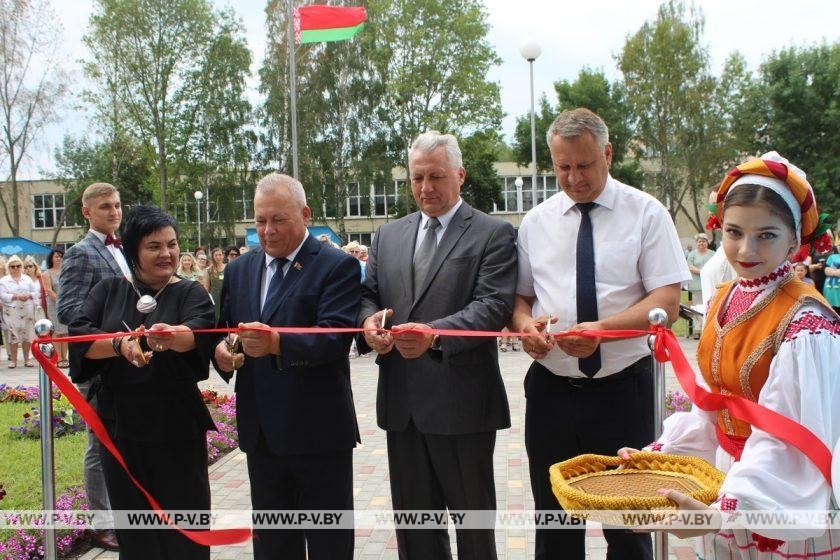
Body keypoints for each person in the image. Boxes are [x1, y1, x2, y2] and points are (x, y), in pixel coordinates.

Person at [619, 152, 840, 559]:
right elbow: (711, 405)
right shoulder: (725, 298)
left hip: (773, 495)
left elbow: (791, 438)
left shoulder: (806, 323)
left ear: (795, 240)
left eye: (766, 235)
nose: (745, 249)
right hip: (731, 481)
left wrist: (728, 508)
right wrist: (667, 456)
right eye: (735, 232)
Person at [510, 108, 690, 560]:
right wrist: (524, 328)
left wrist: (604, 331)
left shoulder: (646, 213)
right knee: (553, 524)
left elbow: (666, 303)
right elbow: (520, 299)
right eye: (562, 166)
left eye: (584, 165)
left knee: (629, 527)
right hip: (551, 392)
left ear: (607, 154)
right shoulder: (536, 222)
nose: (573, 178)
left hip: (623, 391)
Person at [359, 131, 517, 559]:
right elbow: (368, 295)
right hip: (402, 407)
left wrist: (435, 334)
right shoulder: (388, 236)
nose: (425, 188)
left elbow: (493, 305)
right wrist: (368, 321)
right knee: (415, 531)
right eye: (417, 178)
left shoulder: (492, 234)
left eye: (436, 176)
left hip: (462, 406)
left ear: (460, 175)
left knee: (473, 528)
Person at [213, 173, 360, 560]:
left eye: (278, 219)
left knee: (330, 545)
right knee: (274, 544)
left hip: (319, 434)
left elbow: (335, 337)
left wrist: (277, 342)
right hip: (262, 436)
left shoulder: (336, 266)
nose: (267, 230)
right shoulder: (239, 271)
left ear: (305, 214)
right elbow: (228, 330)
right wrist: (223, 354)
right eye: (260, 220)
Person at [69, 205, 215, 559]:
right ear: (134, 250)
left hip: (177, 428)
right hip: (121, 429)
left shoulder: (191, 293)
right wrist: (120, 344)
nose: (166, 253)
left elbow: (196, 333)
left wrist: (166, 336)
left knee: (186, 525)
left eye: (172, 244)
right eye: (154, 246)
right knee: (135, 529)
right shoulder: (108, 291)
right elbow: (80, 339)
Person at [57, 182, 131, 552]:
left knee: (122, 439)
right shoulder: (82, 253)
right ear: (87, 212)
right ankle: (102, 524)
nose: (114, 212)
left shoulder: (125, 249)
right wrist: (112, 331)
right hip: (98, 361)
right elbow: (68, 311)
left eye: (117, 205)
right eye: (105, 207)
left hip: (127, 361)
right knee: (98, 442)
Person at [0, 255, 39, 368]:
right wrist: (16, 296)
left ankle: (26, 360)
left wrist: (28, 295)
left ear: (21, 267)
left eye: (18, 266)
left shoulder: (27, 279)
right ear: (9, 268)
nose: (16, 268)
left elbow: (35, 292)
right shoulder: (4, 281)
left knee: (27, 335)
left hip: (27, 309)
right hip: (12, 311)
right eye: (13, 266)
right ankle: (14, 361)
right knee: (13, 335)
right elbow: (2, 295)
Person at [43, 249, 70, 367]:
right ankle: (58, 358)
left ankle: (65, 358)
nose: (59, 259)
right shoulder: (47, 273)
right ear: (51, 259)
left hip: (67, 303)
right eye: (56, 257)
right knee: (57, 331)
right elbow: (48, 290)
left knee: (65, 332)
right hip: (54, 304)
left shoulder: (67, 271)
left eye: (60, 256)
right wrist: (60, 300)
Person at [206, 247, 225, 323]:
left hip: (225, 294)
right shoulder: (209, 270)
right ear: (213, 257)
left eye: (220, 255)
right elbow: (207, 287)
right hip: (214, 296)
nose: (218, 257)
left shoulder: (228, 267)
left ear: (223, 256)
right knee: (216, 315)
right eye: (216, 255)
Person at [823, 246, 840, 313]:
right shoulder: (831, 256)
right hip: (830, 288)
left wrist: (831, 272)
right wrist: (836, 272)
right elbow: (825, 270)